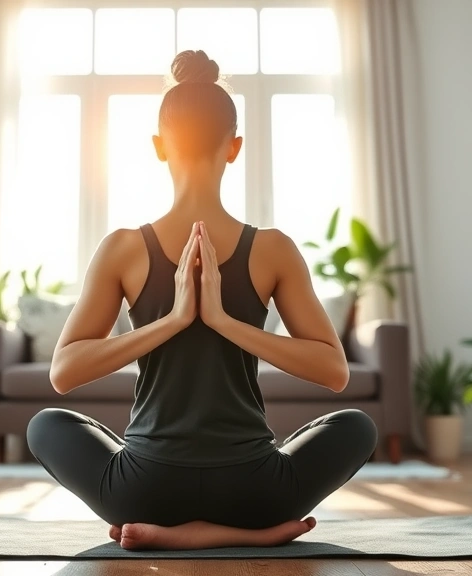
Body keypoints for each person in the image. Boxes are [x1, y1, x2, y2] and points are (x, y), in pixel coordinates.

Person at [27, 50, 378, 551]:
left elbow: (62, 373)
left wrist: (196, 318)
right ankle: (247, 536)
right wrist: (194, 319)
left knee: (46, 425)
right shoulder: (271, 248)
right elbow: (335, 371)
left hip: (144, 492)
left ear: (158, 147)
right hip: (256, 493)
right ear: (234, 147)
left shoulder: (123, 248)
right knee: (356, 427)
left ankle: (174, 535)